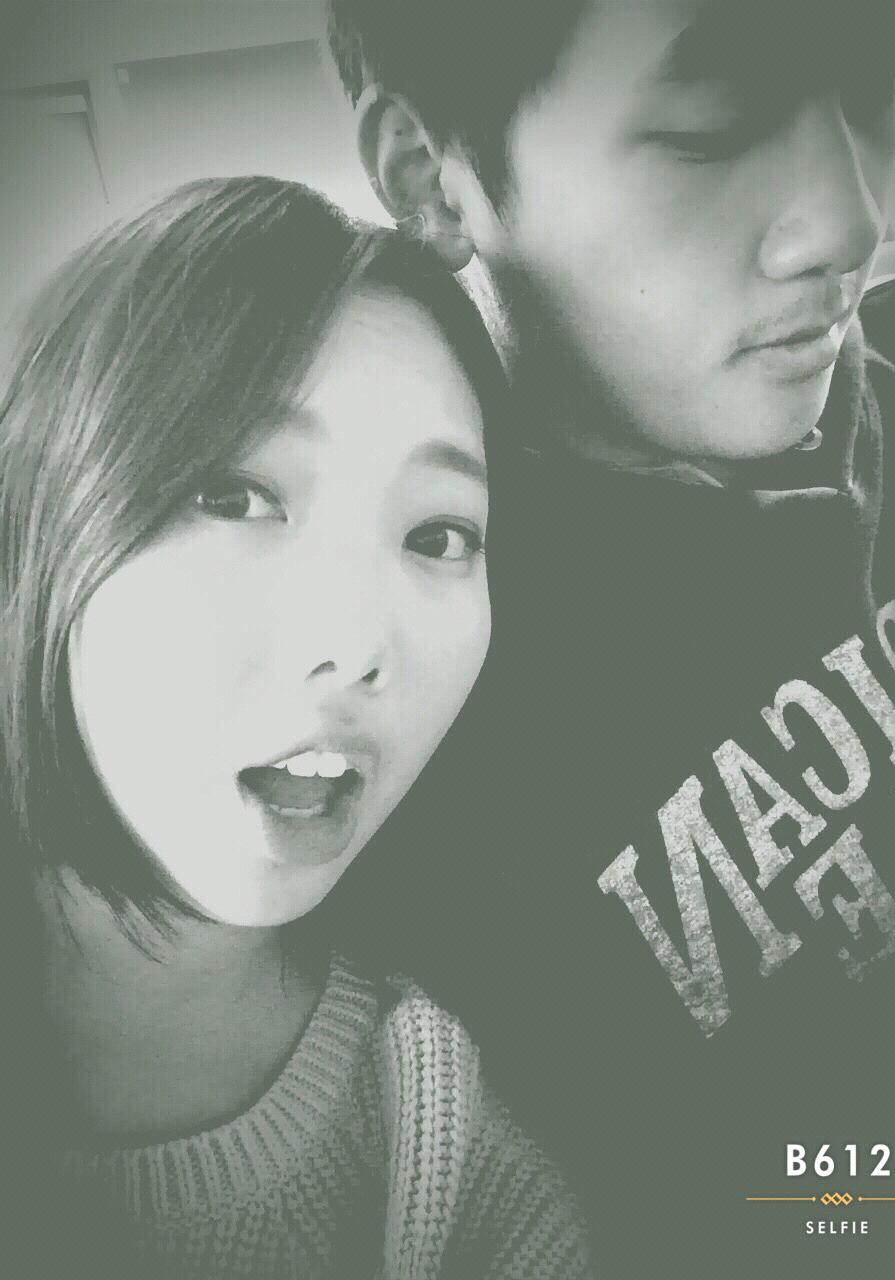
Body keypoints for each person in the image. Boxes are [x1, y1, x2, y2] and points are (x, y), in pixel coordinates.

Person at [329, 1, 895, 1274]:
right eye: (711, 130)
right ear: (434, 178)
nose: (852, 221)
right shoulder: (409, 711)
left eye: (868, 87)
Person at [0, 175, 591, 1280]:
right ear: (39, 516)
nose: (356, 642)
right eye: (234, 495)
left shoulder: (457, 1190)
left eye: (439, 534)